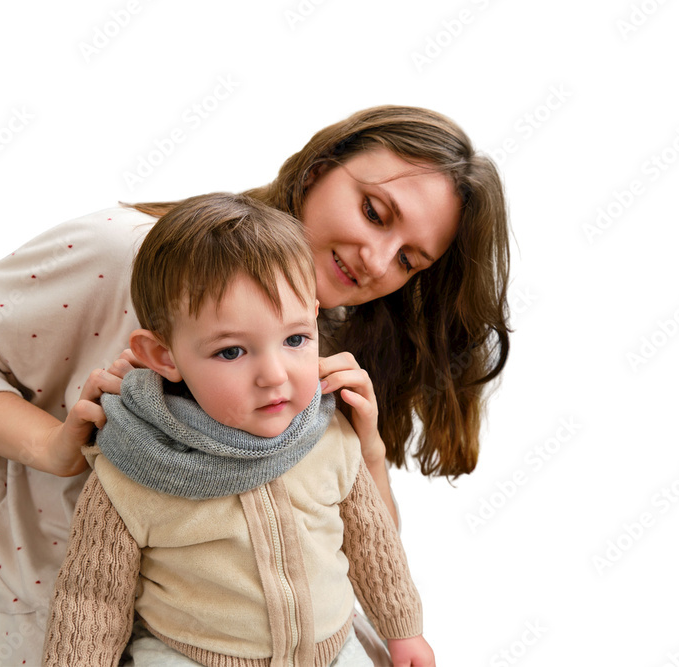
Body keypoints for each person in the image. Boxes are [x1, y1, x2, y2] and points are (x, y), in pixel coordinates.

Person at [0, 105, 509, 666]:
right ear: (317, 168)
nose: (375, 260)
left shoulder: (334, 329)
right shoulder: (131, 253)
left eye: (408, 260)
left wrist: (365, 449)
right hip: (51, 625)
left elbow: (359, 538)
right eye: (374, 212)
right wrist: (53, 447)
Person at [43, 192, 433, 666]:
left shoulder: (330, 436)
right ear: (164, 357)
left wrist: (404, 631)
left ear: (313, 319)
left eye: (294, 339)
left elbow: (373, 544)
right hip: (190, 656)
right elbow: (92, 599)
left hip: (330, 650)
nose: (274, 375)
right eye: (231, 351)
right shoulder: (132, 465)